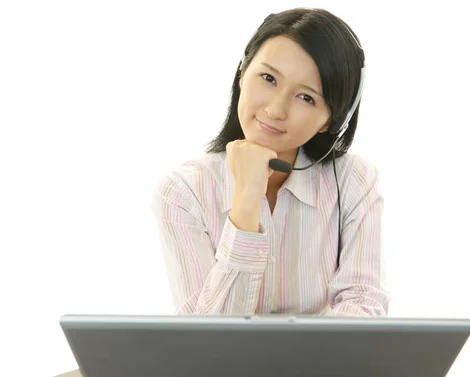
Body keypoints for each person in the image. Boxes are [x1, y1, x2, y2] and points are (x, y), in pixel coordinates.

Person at [151, 7, 390, 316]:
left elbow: (365, 308)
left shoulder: (353, 182)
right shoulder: (184, 192)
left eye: (306, 97)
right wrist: (247, 199)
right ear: (242, 73)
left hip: (322, 367)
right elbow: (208, 337)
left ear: (332, 120)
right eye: (268, 78)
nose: (276, 110)